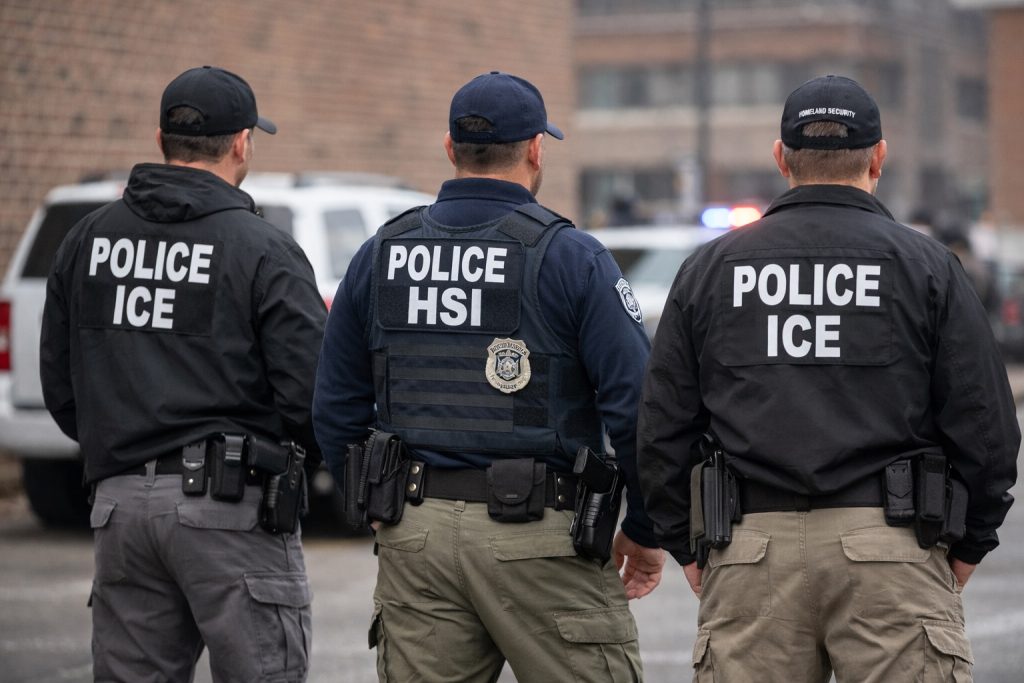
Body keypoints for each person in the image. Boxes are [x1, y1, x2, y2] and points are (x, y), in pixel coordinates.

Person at [637, 75, 1018, 682]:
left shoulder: (710, 269)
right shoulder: (926, 268)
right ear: (879, 157)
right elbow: (987, 427)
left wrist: (686, 544)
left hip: (749, 549)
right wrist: (971, 542)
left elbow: (660, 428)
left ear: (781, 158)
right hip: (893, 553)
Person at [313, 71, 665, 682]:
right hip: (541, 539)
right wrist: (645, 526)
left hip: (414, 532)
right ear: (535, 149)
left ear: (451, 150)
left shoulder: (381, 253)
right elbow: (635, 405)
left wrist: (368, 502)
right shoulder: (571, 256)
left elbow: (336, 404)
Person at [40, 66, 325, 682]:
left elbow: (60, 386)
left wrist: (121, 449)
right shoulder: (263, 249)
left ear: (161, 139)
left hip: (117, 508)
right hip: (231, 507)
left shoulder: (87, 239)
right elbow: (309, 395)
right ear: (242, 142)